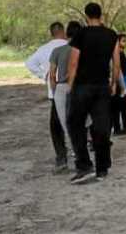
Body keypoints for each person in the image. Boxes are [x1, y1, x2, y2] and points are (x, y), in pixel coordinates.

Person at [66, 2, 120, 184]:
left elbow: (73, 62)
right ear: (101, 14)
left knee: (76, 124)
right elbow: (116, 63)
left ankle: (84, 165)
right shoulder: (111, 35)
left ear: (86, 15)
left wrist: (70, 85)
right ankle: (102, 167)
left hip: (82, 86)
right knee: (101, 127)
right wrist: (113, 83)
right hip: (102, 86)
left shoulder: (80, 34)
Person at [25, 22, 68, 173]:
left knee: (56, 126)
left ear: (51, 33)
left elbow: (29, 63)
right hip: (73, 89)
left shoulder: (43, 49)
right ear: (63, 31)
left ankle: (61, 157)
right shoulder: (70, 45)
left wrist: (44, 75)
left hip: (54, 91)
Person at [49, 21, 82, 171]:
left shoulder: (57, 50)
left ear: (67, 33)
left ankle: (74, 153)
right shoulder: (82, 50)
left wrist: (55, 90)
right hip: (79, 86)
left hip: (62, 88)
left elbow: (51, 75)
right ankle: (81, 153)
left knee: (65, 123)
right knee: (80, 121)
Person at [110, 33, 126, 135]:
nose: (125, 43)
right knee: (116, 106)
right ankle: (117, 128)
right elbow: (117, 68)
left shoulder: (122, 53)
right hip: (117, 82)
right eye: (123, 41)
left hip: (123, 81)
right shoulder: (116, 54)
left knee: (124, 105)